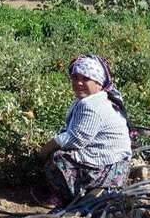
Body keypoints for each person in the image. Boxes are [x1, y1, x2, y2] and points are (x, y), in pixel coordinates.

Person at [39, 55, 132, 205]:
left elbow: (76, 140)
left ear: (98, 83)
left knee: (57, 158)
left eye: (85, 79)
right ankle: (87, 191)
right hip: (117, 165)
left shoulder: (92, 105)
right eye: (75, 78)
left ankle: (71, 195)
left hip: (108, 168)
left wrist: (46, 148)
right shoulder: (97, 99)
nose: (78, 83)